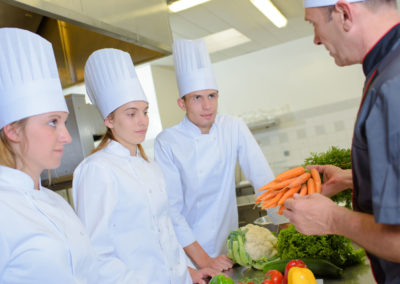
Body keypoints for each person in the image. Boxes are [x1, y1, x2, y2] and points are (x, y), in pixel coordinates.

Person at [72, 48, 217, 284]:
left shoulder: (151, 168)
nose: (143, 121)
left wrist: (189, 273)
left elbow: (166, 235)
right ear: (109, 120)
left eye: (145, 112)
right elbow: (97, 254)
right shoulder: (97, 170)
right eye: (131, 114)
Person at [283, 0, 400, 283]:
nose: (316, 39)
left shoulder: (391, 86)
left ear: (344, 13)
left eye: (314, 24)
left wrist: (333, 219)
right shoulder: (387, 70)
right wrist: (353, 180)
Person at [154, 39, 276, 271]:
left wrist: (287, 225)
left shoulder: (233, 126)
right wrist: (204, 262)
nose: (207, 106)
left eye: (212, 96)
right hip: (190, 259)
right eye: (197, 98)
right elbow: (172, 211)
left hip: (229, 252)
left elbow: (264, 180)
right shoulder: (167, 142)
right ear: (182, 103)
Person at [0, 28, 97, 283]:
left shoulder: (56, 203)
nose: (66, 136)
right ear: (12, 130)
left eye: (64, 122)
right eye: (53, 122)